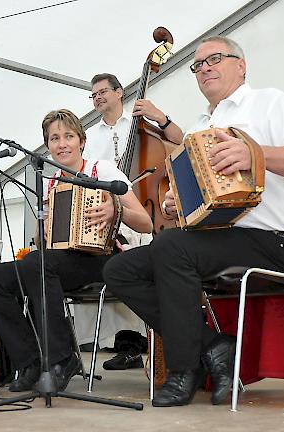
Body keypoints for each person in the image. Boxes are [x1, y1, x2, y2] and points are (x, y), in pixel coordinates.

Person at [103, 36, 284, 407]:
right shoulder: (199, 128)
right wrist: (176, 202)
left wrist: (253, 152)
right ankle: (214, 345)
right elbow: (190, 194)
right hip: (213, 240)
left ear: (241, 64)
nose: (204, 67)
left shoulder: (270, 102)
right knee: (120, 269)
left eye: (214, 59)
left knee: (171, 247)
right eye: (197, 64)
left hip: (270, 239)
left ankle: (183, 371)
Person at [0, 109, 153, 392]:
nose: (62, 144)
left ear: (82, 141)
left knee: (38, 263)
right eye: (54, 138)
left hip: (102, 257)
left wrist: (115, 209)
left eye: (68, 136)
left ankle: (61, 359)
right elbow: (42, 240)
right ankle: (31, 361)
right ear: (47, 146)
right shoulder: (50, 183)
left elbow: (146, 223)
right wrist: (41, 226)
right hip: (57, 261)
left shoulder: (103, 170)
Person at [74, 73, 182, 370]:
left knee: (136, 260)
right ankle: (122, 343)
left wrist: (160, 117)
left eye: (103, 91)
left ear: (120, 92)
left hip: (143, 206)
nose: (98, 97)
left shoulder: (143, 126)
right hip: (107, 213)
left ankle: (142, 341)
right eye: (93, 94)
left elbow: (181, 143)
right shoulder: (90, 137)